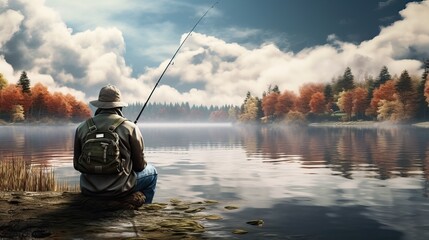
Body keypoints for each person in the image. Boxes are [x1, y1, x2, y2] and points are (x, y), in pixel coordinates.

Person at [73, 84, 157, 203]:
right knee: (152, 172)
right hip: (119, 190)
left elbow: (77, 165)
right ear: (119, 106)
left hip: (88, 189)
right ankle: (145, 209)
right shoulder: (130, 127)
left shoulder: (82, 127)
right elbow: (139, 167)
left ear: (99, 105)